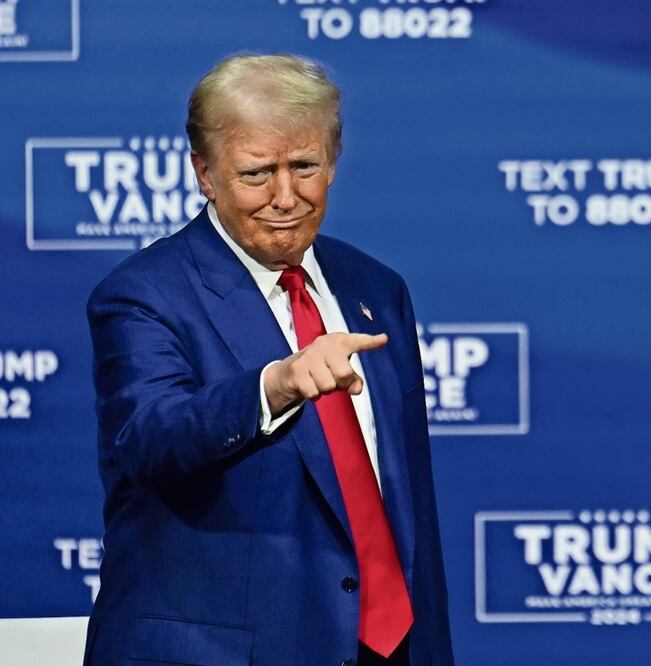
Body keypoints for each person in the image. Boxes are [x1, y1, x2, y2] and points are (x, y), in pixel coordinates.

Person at [84, 54, 452, 666]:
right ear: (204, 173)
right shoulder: (143, 294)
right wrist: (274, 386)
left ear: (332, 161)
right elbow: (150, 439)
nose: (286, 197)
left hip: (381, 646)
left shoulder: (376, 289)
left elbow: (407, 501)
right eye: (257, 173)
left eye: (304, 166)